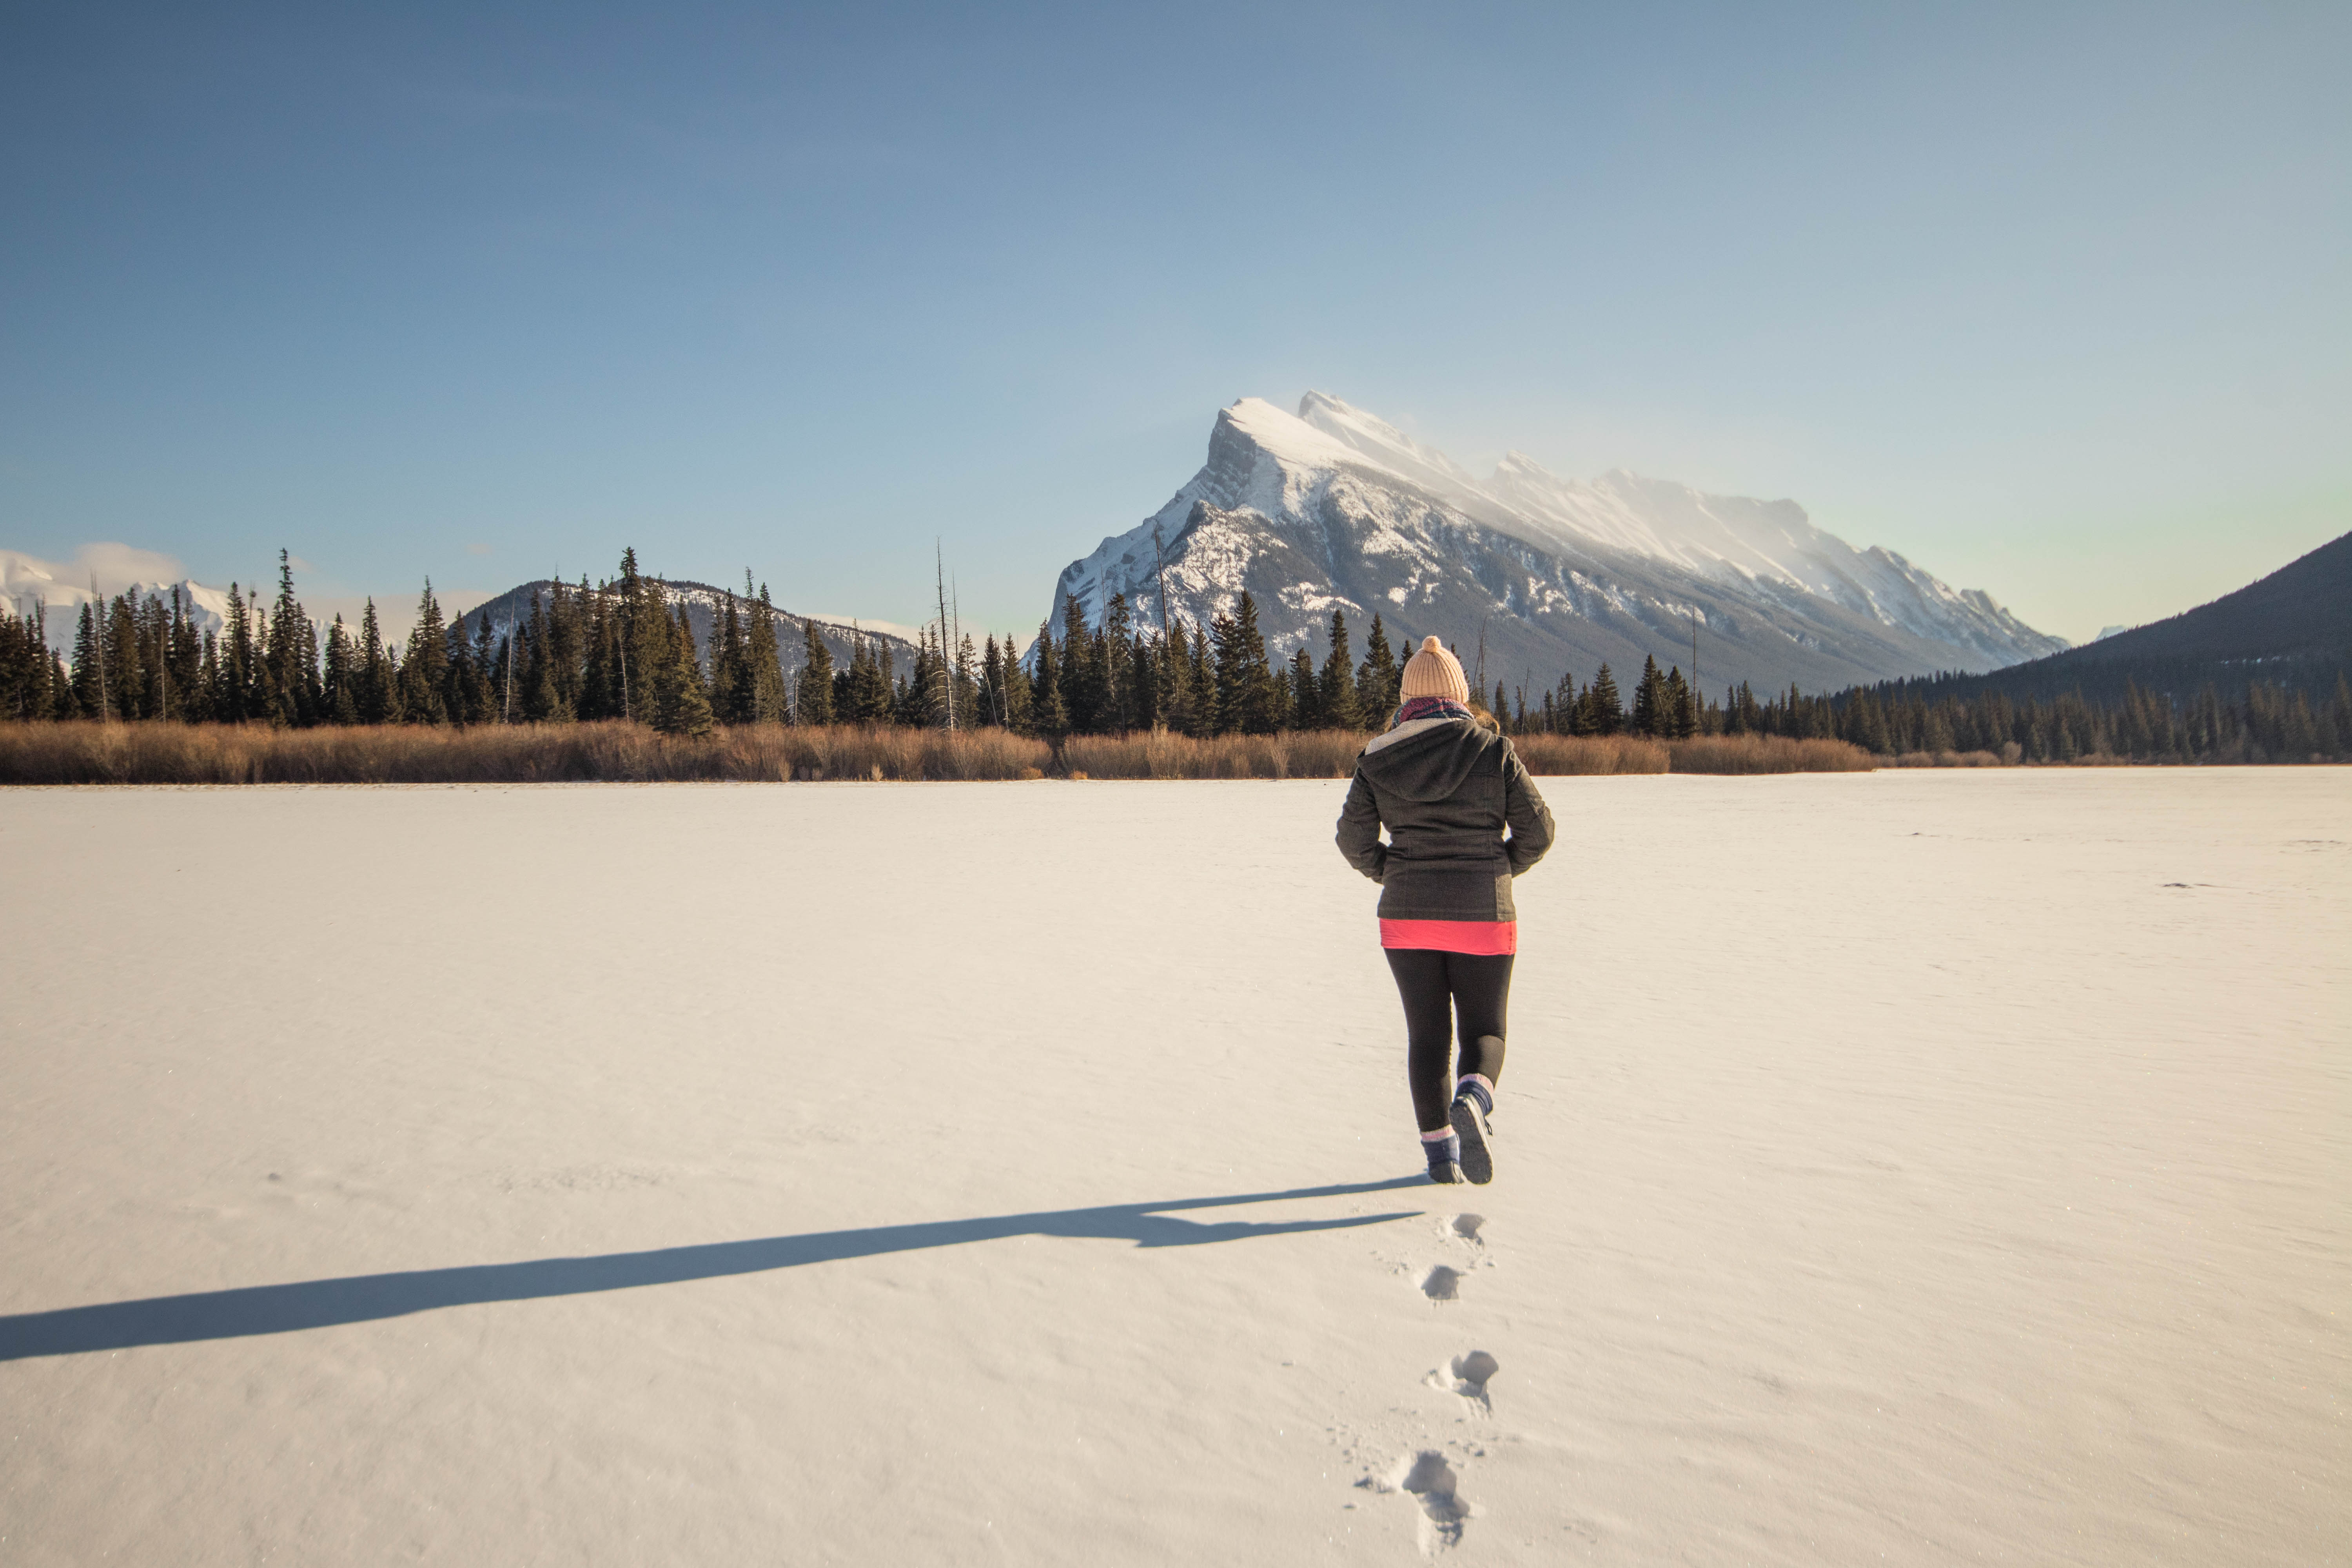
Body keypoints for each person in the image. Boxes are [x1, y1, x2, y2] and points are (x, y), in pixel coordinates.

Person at [1336, 637, 1555, 1185]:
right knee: (1486, 1031)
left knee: (1427, 1039)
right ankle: (1475, 1100)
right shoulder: (1492, 750)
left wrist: (1395, 872)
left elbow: (1352, 841)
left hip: (1406, 921)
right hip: (1485, 914)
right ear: (1460, 694)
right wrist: (1496, 869)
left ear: (1407, 698)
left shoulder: (1377, 758)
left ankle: (1439, 1160)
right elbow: (1539, 832)